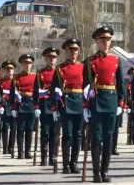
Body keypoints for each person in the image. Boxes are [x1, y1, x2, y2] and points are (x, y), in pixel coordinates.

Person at [82, 26, 125, 183]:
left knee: (108, 138)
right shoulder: (90, 61)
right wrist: (85, 106)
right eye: (102, 40)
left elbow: (120, 83)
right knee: (96, 138)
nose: (106, 43)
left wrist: (121, 102)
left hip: (112, 100)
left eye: (108, 40)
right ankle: (95, 172)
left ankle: (105, 171)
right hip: (96, 101)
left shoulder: (116, 60)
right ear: (96, 42)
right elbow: (86, 86)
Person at [51, 38, 84, 174]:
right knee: (67, 135)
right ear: (66, 51)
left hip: (80, 102)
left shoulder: (83, 67)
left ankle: (74, 163)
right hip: (66, 103)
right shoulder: (60, 68)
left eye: (76, 49)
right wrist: (54, 108)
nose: (73, 52)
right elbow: (54, 89)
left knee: (78, 135)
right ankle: (65, 164)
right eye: (71, 49)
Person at [33, 47, 60, 166]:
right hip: (45, 104)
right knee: (44, 131)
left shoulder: (59, 71)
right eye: (50, 58)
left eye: (54, 57)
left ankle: (52, 156)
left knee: (54, 132)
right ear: (46, 59)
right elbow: (36, 91)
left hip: (57, 104)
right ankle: (43, 157)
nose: (52, 60)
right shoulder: (41, 73)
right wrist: (36, 107)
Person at [11, 54, 37, 159]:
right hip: (21, 104)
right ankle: (20, 152)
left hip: (31, 104)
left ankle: (28, 151)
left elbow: (37, 92)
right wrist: (13, 107)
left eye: (29, 63)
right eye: (25, 63)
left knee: (30, 129)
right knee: (20, 129)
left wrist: (37, 106)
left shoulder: (35, 77)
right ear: (22, 64)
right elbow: (13, 93)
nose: (27, 65)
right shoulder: (17, 77)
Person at [0, 61, 17, 154]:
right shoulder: (1, 82)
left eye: (11, 69)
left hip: (15, 106)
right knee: (5, 127)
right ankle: (5, 147)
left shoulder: (16, 80)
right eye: (7, 69)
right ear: (4, 71)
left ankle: (11, 147)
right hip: (5, 106)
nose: (9, 71)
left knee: (14, 127)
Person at [126, 67, 134, 145]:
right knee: (131, 124)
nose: (133, 75)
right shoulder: (127, 84)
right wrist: (127, 106)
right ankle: (130, 139)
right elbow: (125, 96)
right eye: (132, 74)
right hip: (130, 106)